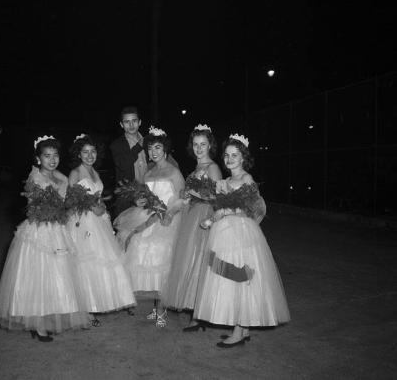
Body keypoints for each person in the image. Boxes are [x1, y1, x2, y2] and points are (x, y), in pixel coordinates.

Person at [193, 133, 290, 348]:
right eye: (226, 155)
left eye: (234, 155)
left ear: (243, 157)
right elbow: (220, 208)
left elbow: (254, 208)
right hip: (224, 233)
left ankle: (239, 329)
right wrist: (211, 219)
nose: (229, 159)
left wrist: (227, 212)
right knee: (228, 276)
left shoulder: (247, 179)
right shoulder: (224, 181)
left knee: (240, 277)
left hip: (242, 233)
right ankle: (242, 328)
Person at [0, 135, 91, 342]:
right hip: (40, 232)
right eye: (47, 156)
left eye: (55, 155)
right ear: (39, 158)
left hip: (58, 229)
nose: (52, 160)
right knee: (39, 276)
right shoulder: (35, 177)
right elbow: (32, 208)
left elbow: (68, 198)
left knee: (57, 276)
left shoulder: (61, 177)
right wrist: (52, 209)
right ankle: (38, 325)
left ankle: (50, 319)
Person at [114, 126, 185, 327]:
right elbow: (144, 195)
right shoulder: (148, 172)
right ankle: (156, 308)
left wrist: (169, 213)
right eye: (151, 148)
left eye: (158, 148)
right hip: (147, 217)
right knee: (145, 256)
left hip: (166, 221)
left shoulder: (174, 172)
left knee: (161, 261)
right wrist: (139, 201)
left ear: (166, 149)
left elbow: (182, 200)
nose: (153, 152)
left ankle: (162, 310)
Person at [67, 134, 136, 324]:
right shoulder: (76, 173)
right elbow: (71, 200)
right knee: (87, 262)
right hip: (84, 222)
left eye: (93, 151)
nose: (90, 155)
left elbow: (96, 195)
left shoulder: (95, 172)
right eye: (85, 152)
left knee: (104, 260)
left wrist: (101, 205)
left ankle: (100, 303)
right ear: (79, 154)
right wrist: (91, 206)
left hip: (99, 220)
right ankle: (87, 310)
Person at [161, 124, 222, 331]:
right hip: (191, 216)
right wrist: (185, 196)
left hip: (204, 216)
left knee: (200, 263)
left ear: (210, 145)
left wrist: (195, 194)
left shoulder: (212, 167)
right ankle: (197, 312)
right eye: (195, 144)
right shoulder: (197, 168)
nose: (199, 148)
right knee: (191, 261)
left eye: (203, 144)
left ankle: (200, 315)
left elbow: (218, 197)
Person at [110, 106, 178, 216]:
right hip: (129, 200)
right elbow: (123, 165)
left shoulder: (149, 141)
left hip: (152, 196)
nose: (131, 125)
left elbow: (163, 158)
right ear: (121, 125)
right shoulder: (116, 145)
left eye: (134, 121)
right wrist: (138, 146)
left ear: (140, 122)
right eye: (127, 122)